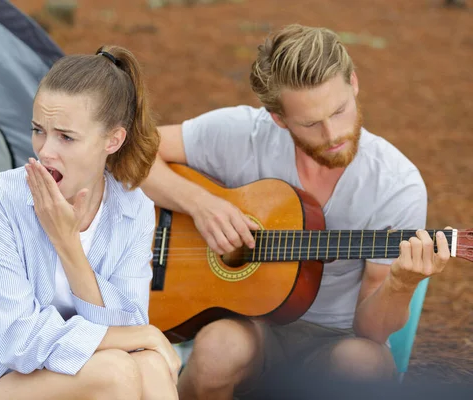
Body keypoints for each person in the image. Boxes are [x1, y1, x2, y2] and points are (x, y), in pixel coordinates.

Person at [140, 24, 452, 399]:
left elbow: (371, 332)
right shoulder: (243, 135)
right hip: (249, 322)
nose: (333, 134)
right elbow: (135, 155)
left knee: (364, 365)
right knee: (215, 353)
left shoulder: (396, 184)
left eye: (340, 110)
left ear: (353, 82)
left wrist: (401, 284)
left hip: (336, 338)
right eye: (309, 123)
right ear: (279, 119)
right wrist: (201, 204)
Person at [0, 46, 181, 400]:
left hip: (67, 376)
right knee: (116, 372)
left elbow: (128, 334)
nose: (45, 151)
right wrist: (142, 335)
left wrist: (68, 244)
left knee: (148, 366)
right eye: (39, 130)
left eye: (66, 137)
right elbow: (18, 342)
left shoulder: (133, 212)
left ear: (113, 140)